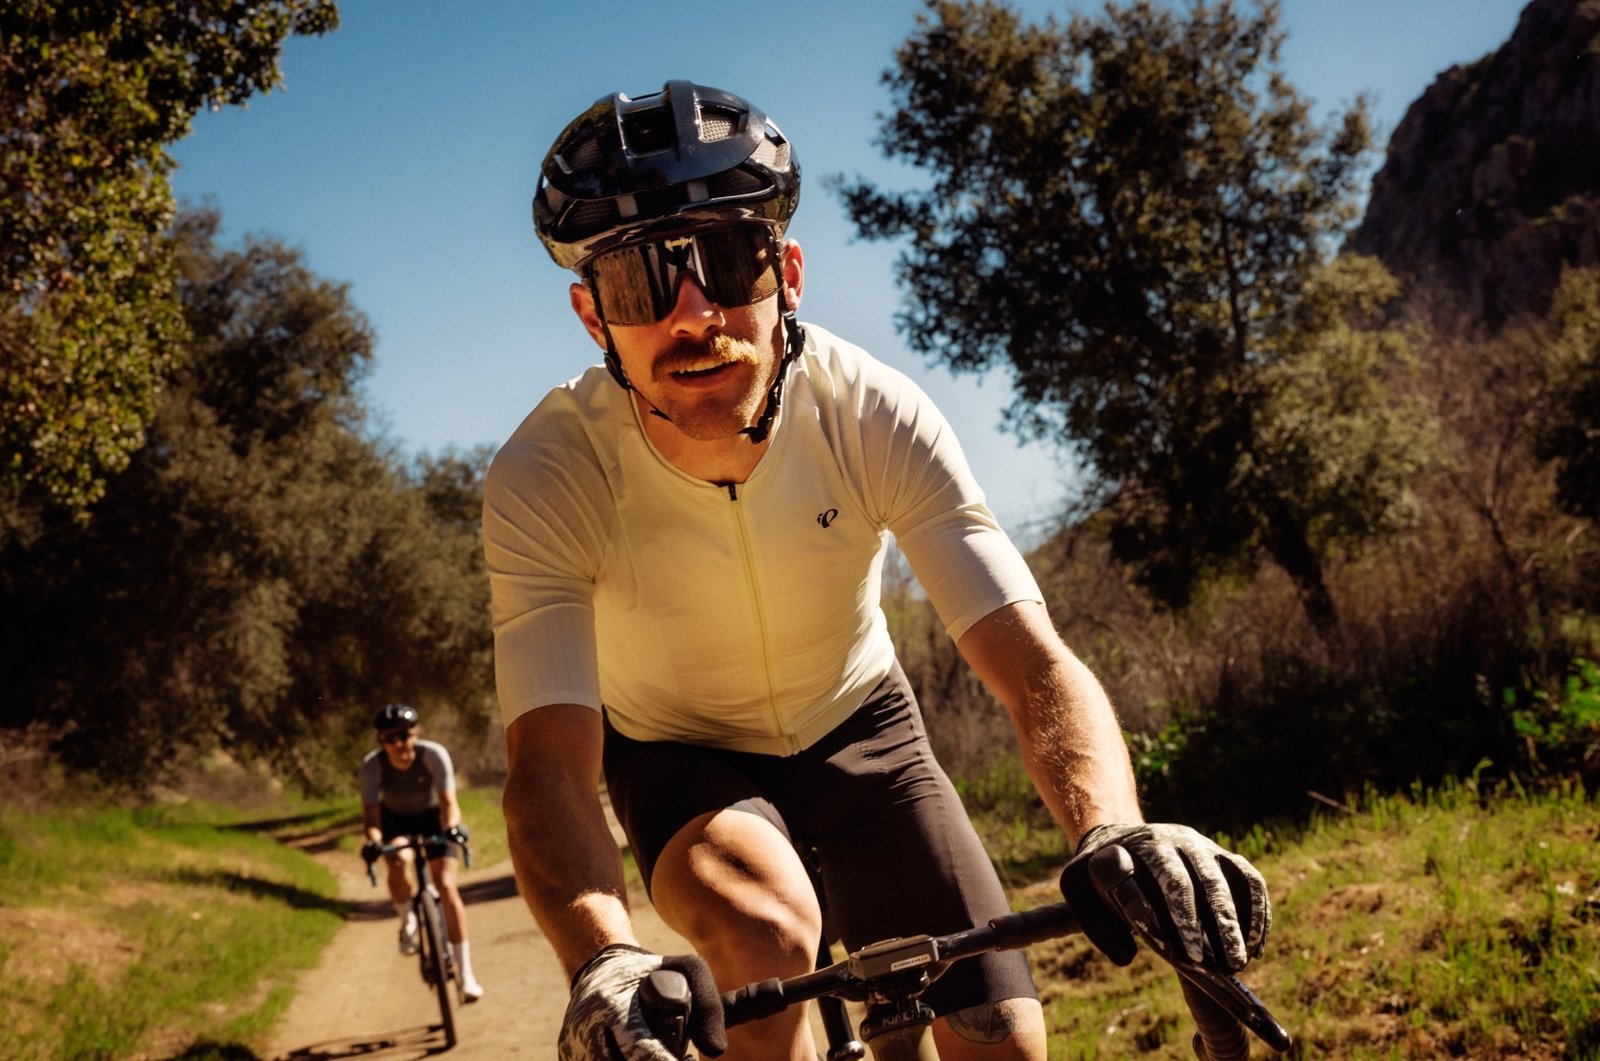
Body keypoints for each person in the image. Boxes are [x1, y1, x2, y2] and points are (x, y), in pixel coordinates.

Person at [485, 80, 1271, 1060]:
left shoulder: (871, 412)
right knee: (766, 934)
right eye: (644, 285)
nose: (694, 313)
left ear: (788, 273)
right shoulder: (547, 472)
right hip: (680, 752)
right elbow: (550, 766)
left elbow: (1032, 664)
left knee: (1007, 1044)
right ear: (593, 316)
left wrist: (1111, 829)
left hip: (864, 729)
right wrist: (601, 956)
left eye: (727, 261)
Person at [358, 702, 485, 1002]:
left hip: (433, 818)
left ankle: (466, 975)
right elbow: (372, 817)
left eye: (404, 735)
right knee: (399, 862)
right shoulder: (372, 766)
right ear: (381, 741)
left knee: (446, 885)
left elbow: (449, 803)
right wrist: (374, 841)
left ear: (416, 734)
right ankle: (408, 921)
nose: (399, 744)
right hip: (395, 820)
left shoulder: (433, 755)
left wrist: (451, 828)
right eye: (391, 738)